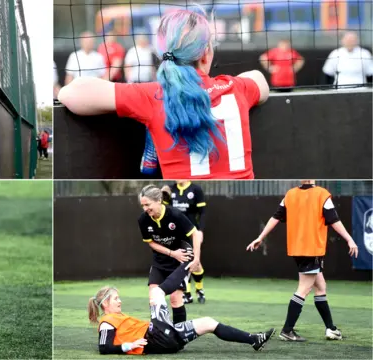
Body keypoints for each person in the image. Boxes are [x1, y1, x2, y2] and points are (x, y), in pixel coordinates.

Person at [58, 8, 270, 179]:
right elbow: (259, 80)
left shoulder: (153, 96)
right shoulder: (236, 88)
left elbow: (70, 93)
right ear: (206, 54)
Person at [247, 180, 359, 342]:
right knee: (304, 289)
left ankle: (331, 329)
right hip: (311, 249)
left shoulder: (290, 195)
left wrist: (260, 237)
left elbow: (275, 217)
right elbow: (334, 220)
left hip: (297, 249)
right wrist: (349, 239)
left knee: (320, 287)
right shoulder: (322, 194)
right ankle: (287, 330)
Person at [88, 262, 274, 355]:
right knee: (157, 293)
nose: (119, 301)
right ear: (105, 304)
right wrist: (130, 346)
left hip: (168, 340)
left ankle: (254, 339)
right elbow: (104, 348)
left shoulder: (119, 317)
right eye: (115, 299)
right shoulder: (106, 322)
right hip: (156, 339)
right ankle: (188, 264)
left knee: (208, 322)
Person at [138, 185, 203, 324]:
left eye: (147, 204)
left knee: (175, 298)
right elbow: (151, 243)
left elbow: (195, 234)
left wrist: (196, 259)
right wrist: (172, 253)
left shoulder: (175, 215)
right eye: (142, 205)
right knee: (153, 297)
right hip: (160, 261)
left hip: (180, 262)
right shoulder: (143, 219)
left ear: (158, 200)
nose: (145, 209)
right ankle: (158, 333)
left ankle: (180, 335)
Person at [167, 180, 207, 304]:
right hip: (176, 231)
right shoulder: (170, 189)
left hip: (191, 231)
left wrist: (200, 230)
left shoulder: (196, 189)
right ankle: (187, 293)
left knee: (196, 263)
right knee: (183, 261)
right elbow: (164, 208)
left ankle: (199, 289)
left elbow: (203, 212)